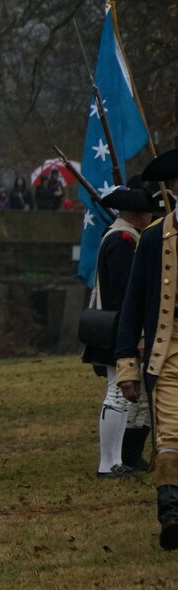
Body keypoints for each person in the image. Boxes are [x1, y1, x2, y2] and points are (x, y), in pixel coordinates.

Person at [115, 147, 178, 550]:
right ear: (173, 189)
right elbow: (133, 305)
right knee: (171, 436)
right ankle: (171, 515)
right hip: (168, 354)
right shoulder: (154, 239)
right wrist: (125, 366)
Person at [87, 187, 156, 478]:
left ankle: (121, 460)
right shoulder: (122, 240)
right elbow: (125, 294)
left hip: (121, 327)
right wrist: (137, 332)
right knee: (116, 394)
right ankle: (108, 463)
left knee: (128, 396)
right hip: (118, 328)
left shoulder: (126, 237)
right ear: (139, 215)